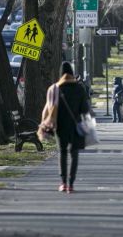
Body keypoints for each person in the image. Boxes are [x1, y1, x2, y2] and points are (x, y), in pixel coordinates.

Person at [39, 61, 90, 193]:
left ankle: (63, 183)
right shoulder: (79, 88)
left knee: (62, 153)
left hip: (60, 125)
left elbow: (50, 108)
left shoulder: (55, 88)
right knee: (74, 154)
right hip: (76, 125)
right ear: (72, 73)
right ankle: (71, 183)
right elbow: (85, 109)